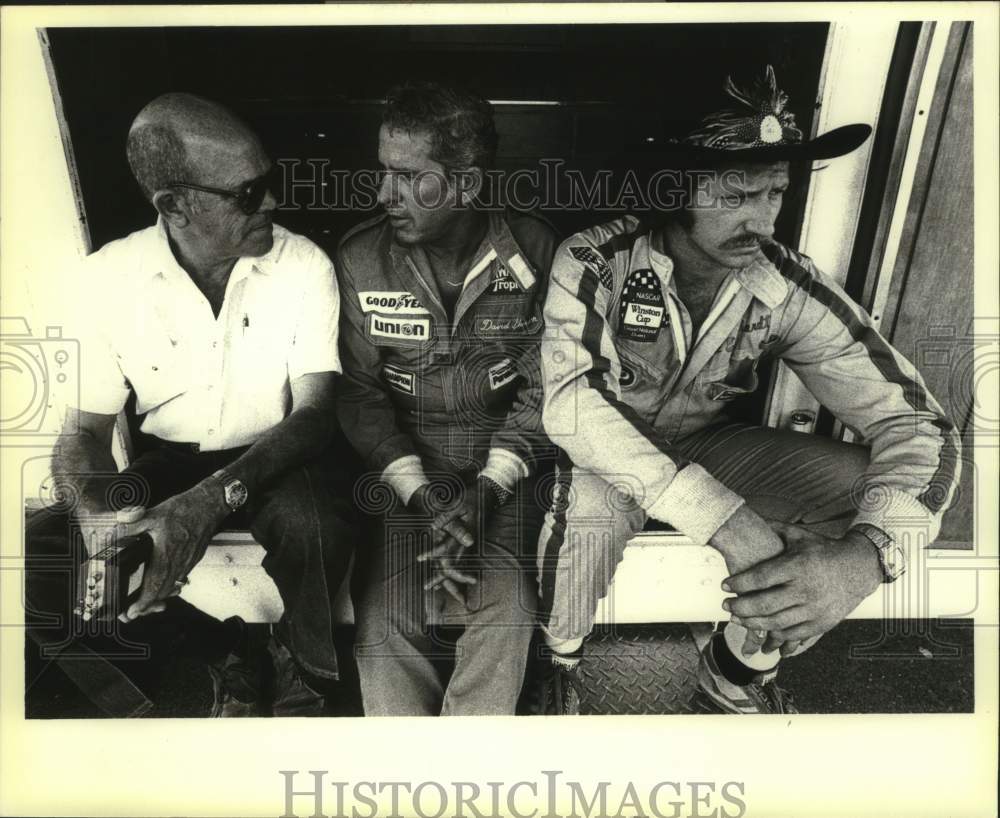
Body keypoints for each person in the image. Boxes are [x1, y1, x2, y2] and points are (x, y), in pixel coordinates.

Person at [535, 66, 961, 714]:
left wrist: (864, 558)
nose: (760, 218)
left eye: (775, 194)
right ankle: (553, 672)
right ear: (679, 187)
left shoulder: (782, 283)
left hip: (702, 446)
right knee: (588, 525)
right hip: (603, 456)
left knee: (867, 494)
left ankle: (735, 670)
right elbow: (572, 410)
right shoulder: (599, 258)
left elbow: (921, 428)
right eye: (737, 194)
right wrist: (726, 522)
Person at [47, 92, 355, 717]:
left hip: (279, 453)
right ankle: (220, 651)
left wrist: (209, 501)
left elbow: (317, 414)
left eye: (269, 181)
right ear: (173, 205)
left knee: (314, 524)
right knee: (59, 551)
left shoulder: (303, 266)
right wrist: (95, 515)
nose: (271, 201)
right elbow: (82, 433)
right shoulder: (106, 279)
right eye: (248, 193)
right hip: (173, 457)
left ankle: (310, 671)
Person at [336, 80, 559, 715]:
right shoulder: (361, 258)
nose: (385, 195)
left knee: (509, 609)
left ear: (466, 185)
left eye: (409, 177)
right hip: (408, 467)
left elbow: (546, 387)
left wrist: (485, 493)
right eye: (383, 172)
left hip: (507, 467)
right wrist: (427, 496)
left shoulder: (536, 250)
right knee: (382, 628)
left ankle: (471, 777)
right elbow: (358, 395)